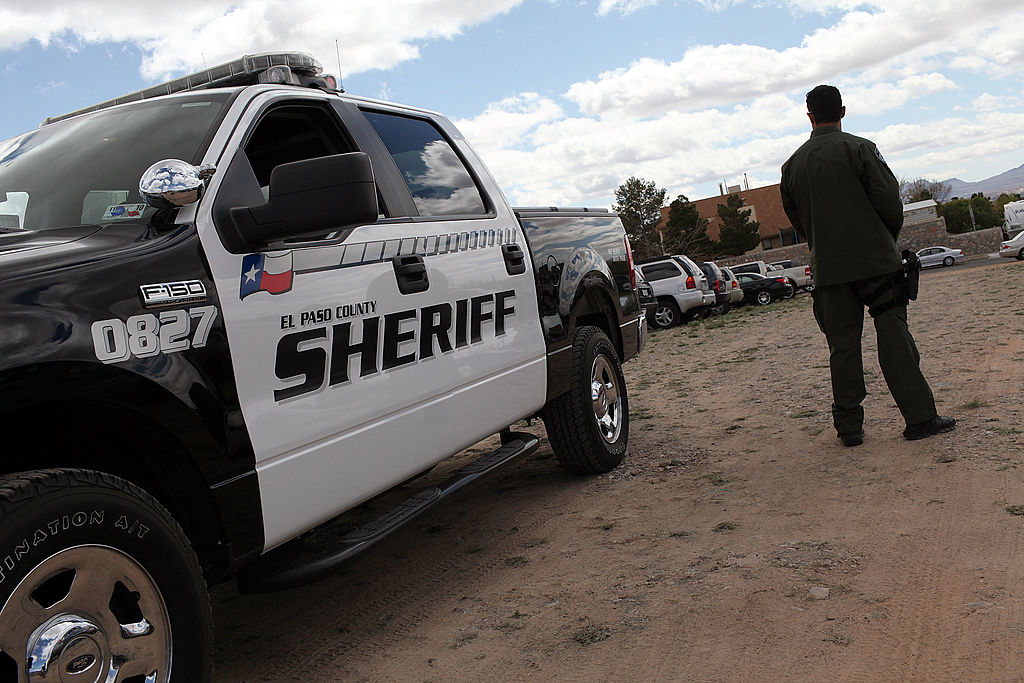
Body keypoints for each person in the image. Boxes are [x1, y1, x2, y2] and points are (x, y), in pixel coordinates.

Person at [780, 84, 955, 447]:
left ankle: (849, 428)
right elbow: (890, 202)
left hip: (829, 270)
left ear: (809, 116)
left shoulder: (792, 165)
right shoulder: (861, 149)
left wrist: (823, 241)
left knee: (842, 347)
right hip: (876, 263)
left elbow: (797, 218)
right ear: (843, 111)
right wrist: (882, 242)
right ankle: (920, 418)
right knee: (894, 338)